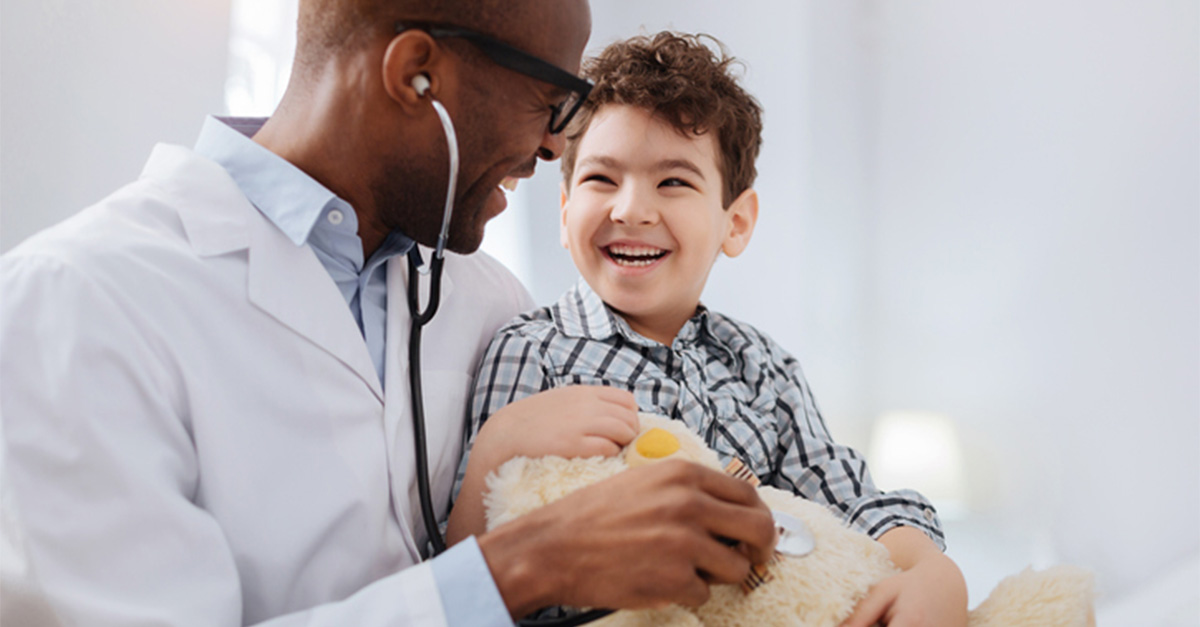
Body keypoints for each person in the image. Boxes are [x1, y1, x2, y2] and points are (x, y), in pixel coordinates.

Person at [0, 3, 780, 626]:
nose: (553, 148)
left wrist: (905, 559)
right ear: (417, 75)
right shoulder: (75, 302)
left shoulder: (490, 301)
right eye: (552, 100)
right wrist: (519, 568)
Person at [448, 32, 969, 626]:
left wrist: (930, 568)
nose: (631, 210)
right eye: (601, 180)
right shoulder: (531, 351)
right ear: (565, 215)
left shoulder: (761, 365)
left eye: (673, 182)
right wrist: (500, 443)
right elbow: (466, 575)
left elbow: (849, 500)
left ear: (736, 223)